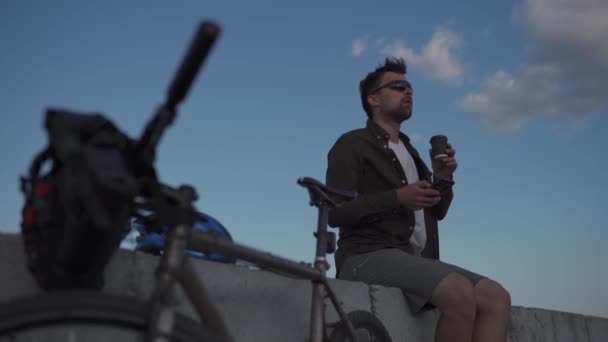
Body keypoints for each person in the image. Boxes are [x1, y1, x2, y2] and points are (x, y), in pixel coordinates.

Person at [325, 57, 511, 342]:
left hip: (412, 260)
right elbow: (334, 212)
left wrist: (443, 178)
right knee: (459, 293)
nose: (408, 92)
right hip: (364, 256)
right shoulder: (352, 143)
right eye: (399, 86)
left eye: (410, 87)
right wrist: (396, 198)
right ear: (373, 99)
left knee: (496, 298)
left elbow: (437, 211)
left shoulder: (410, 152)